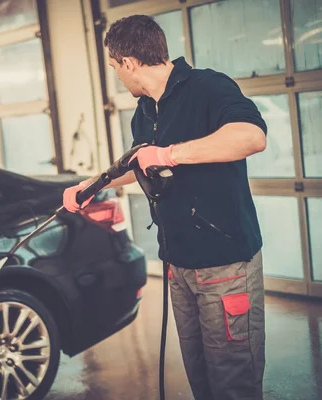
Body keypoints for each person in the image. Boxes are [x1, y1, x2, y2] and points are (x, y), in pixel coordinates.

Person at [62, 15, 267, 400]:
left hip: (225, 264)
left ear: (129, 63)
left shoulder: (208, 87)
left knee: (232, 380)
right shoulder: (146, 111)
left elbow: (251, 136)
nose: (116, 76)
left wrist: (171, 154)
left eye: (113, 67)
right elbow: (141, 162)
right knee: (201, 378)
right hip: (178, 264)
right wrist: (91, 186)